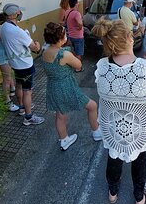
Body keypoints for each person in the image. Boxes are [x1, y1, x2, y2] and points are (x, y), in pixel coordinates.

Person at [92, 19, 146, 204]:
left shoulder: (102, 67)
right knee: (140, 160)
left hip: (113, 126)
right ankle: (139, 198)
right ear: (130, 38)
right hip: (139, 127)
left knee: (113, 158)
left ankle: (112, 192)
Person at [42, 22, 102, 150]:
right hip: (67, 87)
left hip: (53, 86)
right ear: (60, 38)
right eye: (64, 34)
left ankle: (64, 140)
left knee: (60, 115)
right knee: (92, 106)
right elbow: (78, 65)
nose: (66, 36)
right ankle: (96, 132)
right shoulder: (63, 54)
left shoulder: (45, 51)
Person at [0, 3, 44, 126]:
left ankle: (22, 108)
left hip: (15, 64)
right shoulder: (18, 31)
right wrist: (38, 44)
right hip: (25, 65)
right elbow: (35, 48)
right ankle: (28, 117)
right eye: (18, 12)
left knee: (19, 86)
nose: (20, 14)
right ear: (13, 15)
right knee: (27, 91)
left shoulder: (2, 28)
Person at [0, 12, 19, 112]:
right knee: (7, 79)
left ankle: (12, 89)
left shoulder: (0, 30)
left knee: (9, 74)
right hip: (3, 57)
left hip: (7, 56)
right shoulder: (1, 31)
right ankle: (7, 101)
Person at [66, 0, 84, 69]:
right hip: (78, 36)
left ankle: (73, 64)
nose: (78, 3)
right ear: (76, 4)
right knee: (78, 53)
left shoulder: (67, 11)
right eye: (77, 2)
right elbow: (80, 24)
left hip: (71, 35)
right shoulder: (76, 13)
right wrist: (80, 27)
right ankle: (78, 68)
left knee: (74, 51)